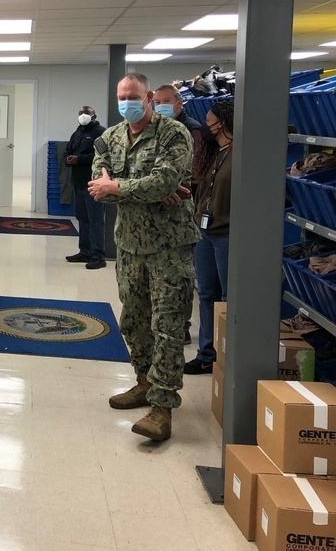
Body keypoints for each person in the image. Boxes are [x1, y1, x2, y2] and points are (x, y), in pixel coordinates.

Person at [88, 72, 198, 442]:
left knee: (167, 328)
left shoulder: (174, 134)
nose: (125, 102)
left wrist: (120, 185)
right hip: (130, 246)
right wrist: (140, 189)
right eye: (120, 96)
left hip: (169, 246)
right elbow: (96, 186)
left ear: (148, 96)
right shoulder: (111, 137)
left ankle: (162, 408)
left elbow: (165, 182)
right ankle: (143, 383)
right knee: (133, 322)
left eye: (132, 95)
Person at [184, 100, 234, 375]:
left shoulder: (241, 153)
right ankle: (206, 354)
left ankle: (227, 355)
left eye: (210, 120)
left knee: (227, 297)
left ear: (223, 122)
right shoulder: (212, 152)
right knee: (206, 293)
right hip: (205, 232)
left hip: (228, 234)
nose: (206, 125)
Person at [153, 84, 204, 345]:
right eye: (157, 101)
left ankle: (181, 327)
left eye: (166, 101)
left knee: (180, 274)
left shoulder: (190, 129)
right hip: (156, 218)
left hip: (182, 212)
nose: (160, 105)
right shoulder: (155, 129)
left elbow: (193, 171)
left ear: (179, 103)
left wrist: (165, 187)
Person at [64, 106, 107, 269]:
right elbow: (68, 151)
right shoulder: (77, 133)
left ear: (94, 116)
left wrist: (79, 159)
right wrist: (68, 159)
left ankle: (98, 256)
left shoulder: (101, 132)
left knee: (95, 220)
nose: (83, 116)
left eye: (86, 113)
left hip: (93, 183)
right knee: (82, 218)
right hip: (78, 181)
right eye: (80, 113)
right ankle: (85, 251)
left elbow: (102, 156)